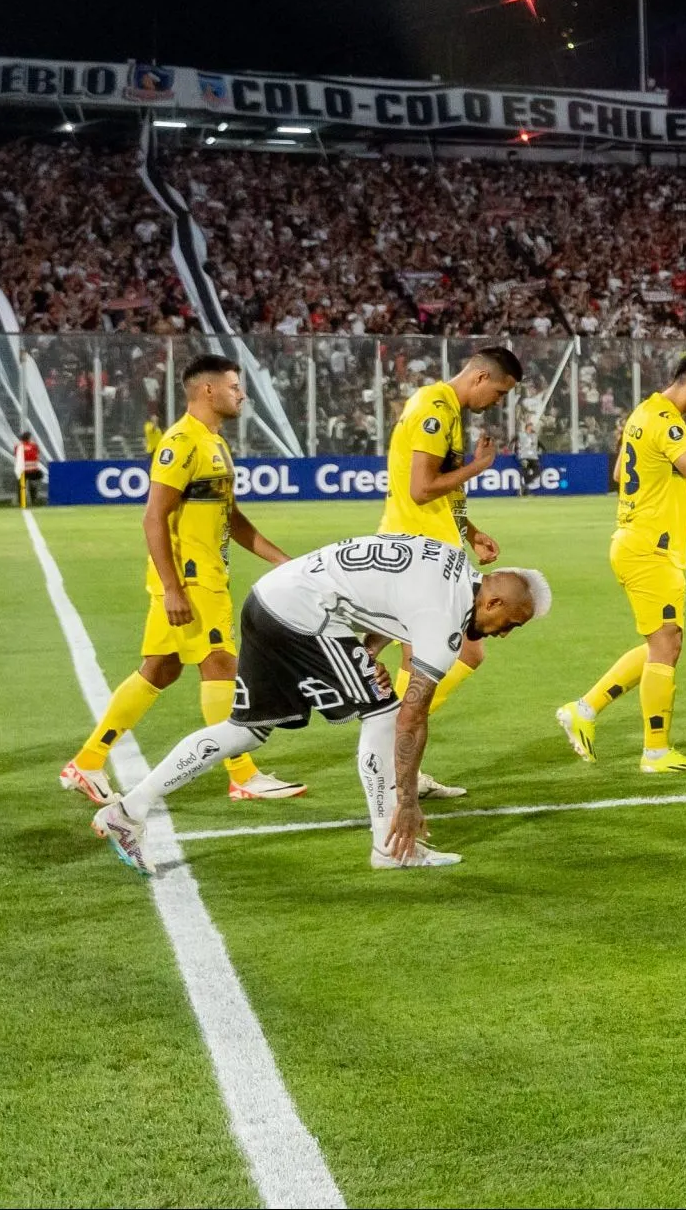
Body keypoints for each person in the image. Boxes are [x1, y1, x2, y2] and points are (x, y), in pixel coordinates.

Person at [92, 535, 550, 874]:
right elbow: (412, 719)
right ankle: (389, 845)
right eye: (508, 623)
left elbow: (389, 598)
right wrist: (407, 802)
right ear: (490, 601)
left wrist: (364, 653)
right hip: (304, 616)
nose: (504, 633)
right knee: (385, 713)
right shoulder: (445, 623)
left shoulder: (451, 561)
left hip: (269, 599)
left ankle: (127, 811)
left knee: (246, 729)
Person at [59, 355, 306, 806]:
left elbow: (232, 517)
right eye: (235, 386)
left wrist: (281, 560)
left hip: (201, 575)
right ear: (208, 390)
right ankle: (242, 774)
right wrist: (173, 587)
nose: (242, 394)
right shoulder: (181, 442)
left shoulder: (214, 442)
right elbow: (154, 517)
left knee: (160, 668)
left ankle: (88, 762)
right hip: (191, 581)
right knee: (221, 665)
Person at [558, 351, 686, 773]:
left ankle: (584, 710)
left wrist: (675, 505)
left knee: (665, 643)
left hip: (638, 543)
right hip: (649, 551)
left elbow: (622, 472)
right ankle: (655, 751)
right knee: (665, 645)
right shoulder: (669, 420)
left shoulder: (643, 411)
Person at [378, 343, 524, 799]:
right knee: (453, 656)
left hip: (432, 550)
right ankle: (389, 754)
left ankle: (395, 758)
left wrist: (470, 530)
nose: (497, 403)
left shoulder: (449, 412)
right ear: (479, 378)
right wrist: (479, 468)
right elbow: (422, 489)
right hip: (415, 553)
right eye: (499, 393)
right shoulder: (434, 407)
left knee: (449, 657)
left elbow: (443, 492)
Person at [514, 406, 543, 496]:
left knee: (537, 471)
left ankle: (525, 484)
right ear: (527, 427)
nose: (532, 428)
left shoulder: (534, 435)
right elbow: (515, 443)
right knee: (525, 471)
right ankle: (524, 489)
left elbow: (538, 445)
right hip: (524, 456)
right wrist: (517, 451)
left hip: (533, 457)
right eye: (530, 426)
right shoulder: (521, 435)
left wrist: (540, 450)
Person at [14, 430, 43, 506]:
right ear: (29, 438)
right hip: (33, 470)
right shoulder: (34, 446)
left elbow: (16, 455)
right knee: (33, 485)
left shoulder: (18, 446)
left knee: (21, 486)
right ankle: (33, 500)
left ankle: (21, 502)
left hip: (22, 470)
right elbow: (37, 454)